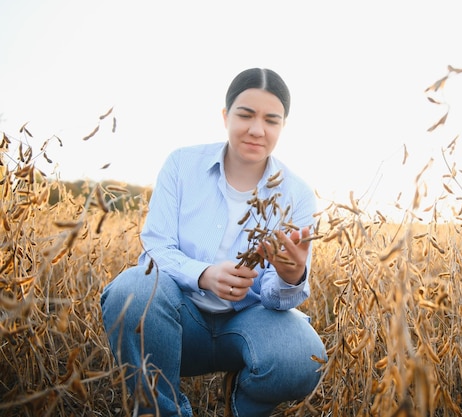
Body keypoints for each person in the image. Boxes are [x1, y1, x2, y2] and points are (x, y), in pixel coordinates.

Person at [100, 68, 327, 417]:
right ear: (225, 116)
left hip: (249, 323)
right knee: (132, 288)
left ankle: (242, 404)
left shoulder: (296, 193)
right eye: (245, 115)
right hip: (177, 321)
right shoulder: (181, 165)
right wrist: (204, 274)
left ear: (283, 126)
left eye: (271, 120)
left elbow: (275, 299)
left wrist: (290, 276)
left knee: (302, 358)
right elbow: (155, 248)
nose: (256, 129)